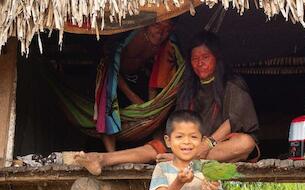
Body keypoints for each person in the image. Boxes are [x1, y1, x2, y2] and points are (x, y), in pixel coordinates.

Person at [75, 30, 259, 175]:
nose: (199, 63)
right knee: (154, 147)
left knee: (246, 143)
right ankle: (102, 159)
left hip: (216, 145)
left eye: (205, 58)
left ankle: (180, 159)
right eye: (195, 59)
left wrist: (207, 144)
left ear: (216, 59)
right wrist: (185, 143)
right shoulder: (188, 87)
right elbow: (181, 123)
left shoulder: (232, 83)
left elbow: (233, 120)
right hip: (190, 144)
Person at [96, 20, 176, 152]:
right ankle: (112, 153)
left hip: (138, 75)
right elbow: (111, 66)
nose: (161, 33)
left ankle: (160, 147)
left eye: (166, 28)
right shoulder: (130, 37)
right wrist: (133, 97)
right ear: (146, 25)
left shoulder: (167, 42)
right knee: (107, 108)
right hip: (114, 77)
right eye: (157, 26)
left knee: (159, 112)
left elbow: (159, 69)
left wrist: (152, 105)